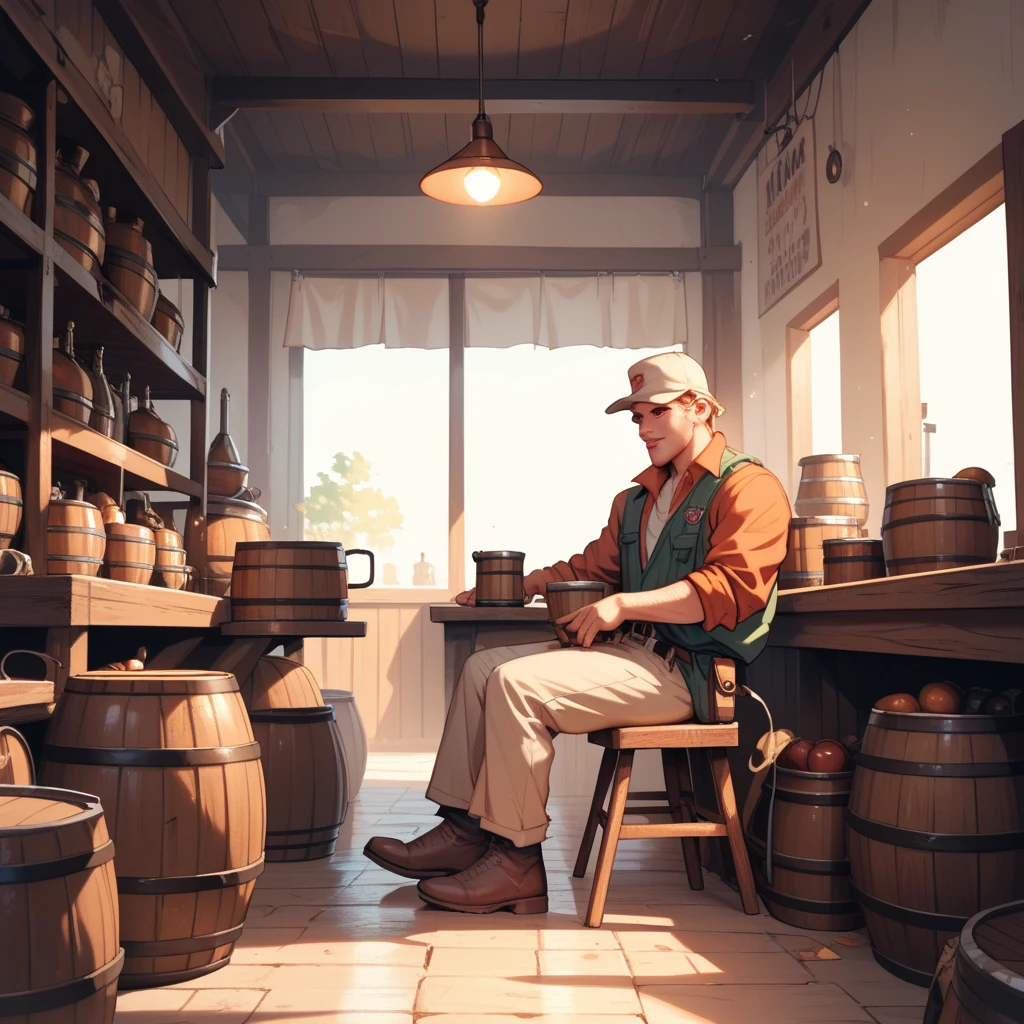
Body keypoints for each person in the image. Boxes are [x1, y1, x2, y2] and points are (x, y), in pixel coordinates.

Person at [364, 352, 791, 915]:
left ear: (701, 408)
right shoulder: (636, 501)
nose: (643, 429)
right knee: (480, 668)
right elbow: (591, 569)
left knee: (518, 684)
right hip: (630, 656)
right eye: (636, 417)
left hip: (689, 673)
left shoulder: (749, 488)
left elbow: (729, 589)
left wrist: (622, 605)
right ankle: (466, 831)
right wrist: (518, 586)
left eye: (657, 412)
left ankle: (516, 863)